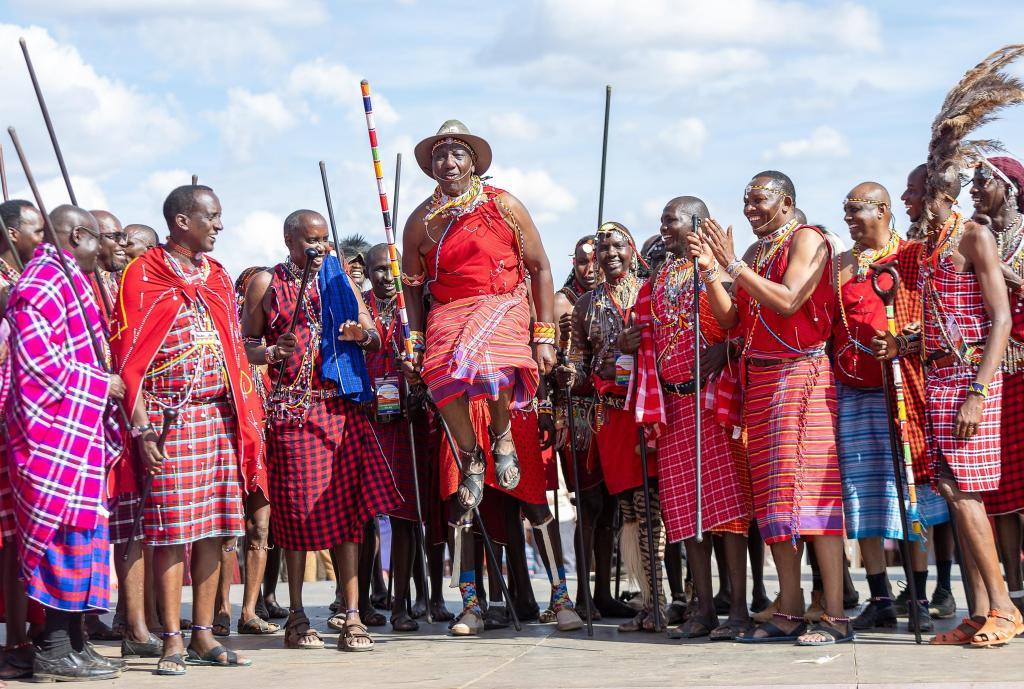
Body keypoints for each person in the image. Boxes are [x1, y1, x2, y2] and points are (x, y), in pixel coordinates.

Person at [400, 120, 559, 636]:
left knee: (488, 366)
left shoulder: (504, 205)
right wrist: (415, 340)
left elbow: (539, 266)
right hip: (449, 310)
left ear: (473, 162)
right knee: (441, 376)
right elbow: (413, 287)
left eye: (457, 154)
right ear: (430, 167)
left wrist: (545, 333)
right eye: (439, 156)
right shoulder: (421, 221)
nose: (448, 162)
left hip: (503, 303)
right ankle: (473, 455)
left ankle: (503, 434)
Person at [110, 185, 264, 674]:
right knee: (172, 530)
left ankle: (202, 634)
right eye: (211, 217)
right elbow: (129, 357)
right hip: (166, 418)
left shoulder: (217, 276)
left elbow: (235, 351)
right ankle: (171, 638)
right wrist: (141, 430)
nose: (219, 225)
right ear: (182, 221)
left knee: (217, 531)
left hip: (218, 417)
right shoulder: (145, 272)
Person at [698, 171, 849, 646]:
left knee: (809, 494)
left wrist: (734, 268)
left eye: (758, 199)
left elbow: (787, 301)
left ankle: (837, 616)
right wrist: (710, 270)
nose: (749, 208)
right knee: (773, 499)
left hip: (800, 375)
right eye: (745, 200)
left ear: (785, 201)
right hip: (759, 380)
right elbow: (731, 321)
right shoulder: (753, 254)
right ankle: (789, 607)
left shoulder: (808, 239)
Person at [241, 210, 400, 651]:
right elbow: (245, 344)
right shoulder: (265, 284)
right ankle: (296, 617)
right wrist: (272, 351)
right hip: (293, 414)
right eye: (311, 241)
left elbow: (374, 337)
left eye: (325, 240)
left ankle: (351, 613)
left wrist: (359, 335)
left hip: (340, 408)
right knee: (293, 517)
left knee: (350, 516)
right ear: (289, 240)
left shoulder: (341, 281)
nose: (320, 249)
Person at [874, 158, 1014, 647]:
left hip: (971, 379)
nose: (906, 200)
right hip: (937, 376)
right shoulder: (927, 248)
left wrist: (977, 392)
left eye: (912, 192)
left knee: (967, 492)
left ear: (939, 193)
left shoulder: (974, 236)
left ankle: (1005, 607)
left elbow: (1000, 321)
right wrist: (905, 345)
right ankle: (978, 613)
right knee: (952, 493)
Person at [6, 205, 124, 681]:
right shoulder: (38, 287)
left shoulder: (70, 282)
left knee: (85, 541)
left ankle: (75, 641)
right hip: (51, 438)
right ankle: (54, 648)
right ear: (78, 236)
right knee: (64, 541)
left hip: (78, 436)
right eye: (99, 239)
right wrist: (101, 384)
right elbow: (37, 364)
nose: (106, 249)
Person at [633, 197, 752, 640]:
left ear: (698, 223)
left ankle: (737, 611)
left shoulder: (716, 268)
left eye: (672, 220)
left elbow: (733, 319)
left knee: (727, 513)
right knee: (688, 517)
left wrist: (709, 269)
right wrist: (632, 337)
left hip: (711, 403)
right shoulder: (660, 275)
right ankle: (704, 612)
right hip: (673, 409)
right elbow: (645, 329)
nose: (664, 227)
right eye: (662, 219)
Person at [832, 183, 948, 634]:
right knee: (861, 495)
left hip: (904, 391)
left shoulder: (913, 256)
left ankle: (918, 596)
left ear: (881, 211)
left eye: (854, 210)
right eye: (844, 211)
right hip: (852, 393)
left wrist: (905, 341)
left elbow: (934, 318)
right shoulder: (841, 265)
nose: (848, 220)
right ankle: (880, 597)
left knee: (912, 495)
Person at [565, 221, 664, 633]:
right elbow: (578, 365)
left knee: (650, 509)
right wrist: (571, 374)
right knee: (627, 510)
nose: (610, 254)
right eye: (602, 248)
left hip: (647, 408)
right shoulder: (586, 305)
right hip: (610, 416)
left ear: (631, 250)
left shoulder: (651, 291)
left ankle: (660, 601)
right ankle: (647, 600)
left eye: (618, 245)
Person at [361, 243, 442, 632]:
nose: (386, 278)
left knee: (407, 515)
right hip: (368, 420)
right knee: (362, 517)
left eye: (392, 270)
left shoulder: (416, 310)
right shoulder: (358, 308)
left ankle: (401, 606)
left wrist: (419, 389)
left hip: (410, 421)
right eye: (378, 270)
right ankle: (361, 603)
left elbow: (436, 358)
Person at [552, 235, 632, 620]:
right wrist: (567, 369)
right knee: (589, 504)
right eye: (583, 260)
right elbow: (568, 363)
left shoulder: (629, 293)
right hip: (581, 416)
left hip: (618, 411)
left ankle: (602, 592)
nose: (591, 266)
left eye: (594, 259)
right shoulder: (568, 302)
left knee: (614, 504)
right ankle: (582, 593)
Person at [970, 156, 1024, 614]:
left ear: (1007, 187)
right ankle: (1014, 585)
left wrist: (1012, 279)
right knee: (1000, 487)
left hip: (1023, 370)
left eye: (983, 181)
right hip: (991, 373)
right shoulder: (974, 236)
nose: (974, 188)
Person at [0, 199, 45, 682]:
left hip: (22, 420)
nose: (42, 239)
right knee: (9, 541)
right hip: (5, 419)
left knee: (19, 538)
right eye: (36, 231)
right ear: (13, 234)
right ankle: (13, 641)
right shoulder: (10, 285)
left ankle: (24, 635)